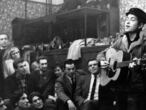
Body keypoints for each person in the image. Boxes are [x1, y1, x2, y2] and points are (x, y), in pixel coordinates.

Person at [108, 8, 146, 110]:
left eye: (132, 19)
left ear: (140, 25)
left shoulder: (144, 42)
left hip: (138, 89)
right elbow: (103, 53)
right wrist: (104, 60)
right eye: (127, 19)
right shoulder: (120, 41)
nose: (127, 22)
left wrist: (139, 68)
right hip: (120, 88)